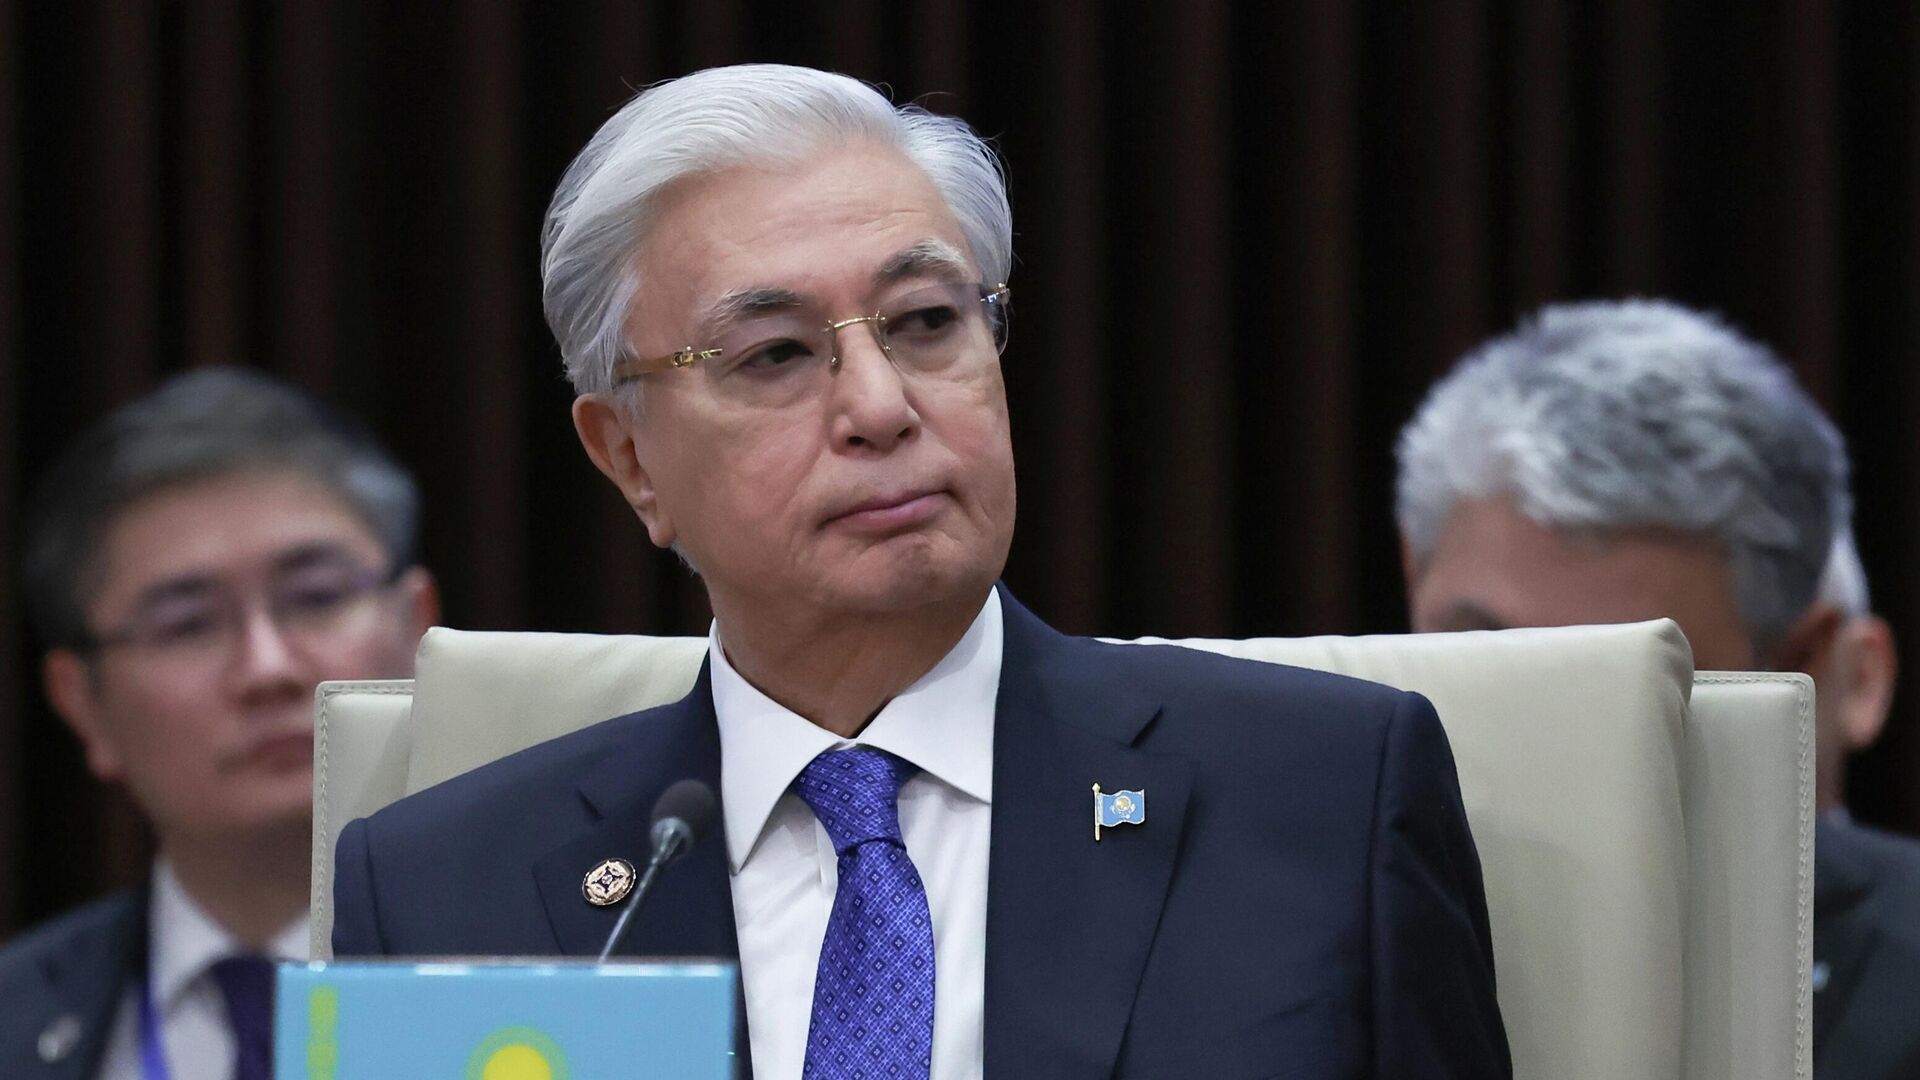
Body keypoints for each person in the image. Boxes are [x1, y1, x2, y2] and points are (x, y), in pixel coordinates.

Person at [330, 63, 1510, 1078]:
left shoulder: (1322, 792)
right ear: (630, 458)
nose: (881, 406)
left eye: (927, 322)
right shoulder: (443, 893)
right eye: (775, 353)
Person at [1396, 299, 1920, 1079]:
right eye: (1484, 651)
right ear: (1413, 573)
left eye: (1622, 679)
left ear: (1803, 666)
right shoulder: (1278, 931)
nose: (1538, 736)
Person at [0, 369, 438, 1079]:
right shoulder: (15, 1020)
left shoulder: (577, 964)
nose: (267, 669)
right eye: (187, 624)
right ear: (82, 704)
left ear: (418, 628)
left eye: (316, 596)